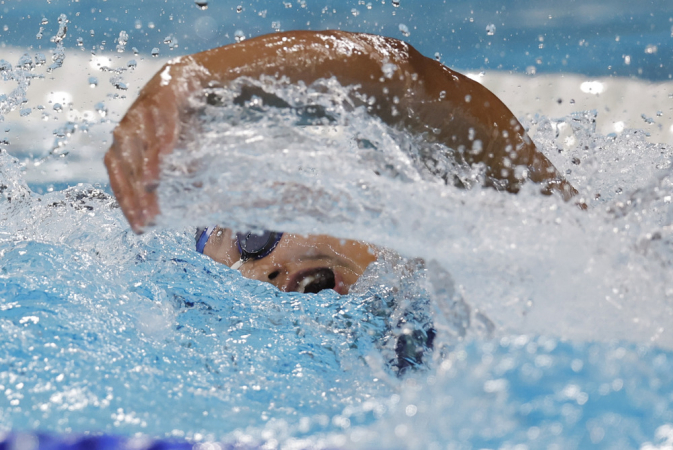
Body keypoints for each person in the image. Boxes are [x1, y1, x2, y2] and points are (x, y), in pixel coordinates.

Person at [105, 30, 577, 295]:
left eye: (252, 238)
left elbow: (403, 80)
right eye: (233, 286)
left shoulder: (526, 224)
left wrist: (192, 80)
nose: (257, 277)